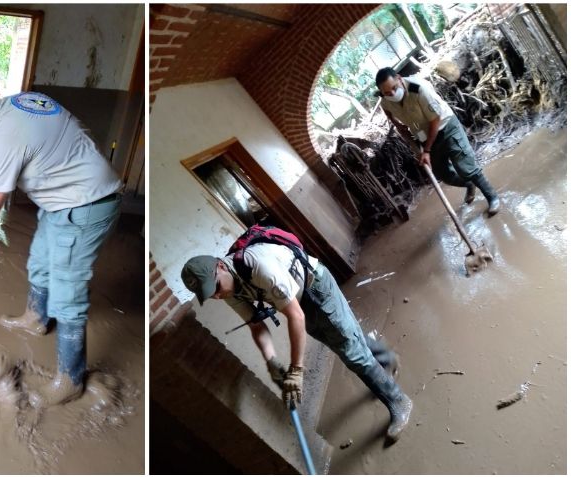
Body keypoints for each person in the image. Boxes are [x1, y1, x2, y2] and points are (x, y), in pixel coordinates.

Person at [0, 89, 123, 406]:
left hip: (86, 203)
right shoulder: (16, 103)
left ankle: (71, 380)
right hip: (65, 198)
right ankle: (37, 318)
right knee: (40, 262)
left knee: (68, 291)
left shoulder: (6, 136)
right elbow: (33, 143)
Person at [181, 241, 413, 443]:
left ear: (221, 266)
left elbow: (295, 317)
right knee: (340, 340)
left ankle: (399, 401)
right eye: (211, 294)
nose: (218, 295)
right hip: (298, 300)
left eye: (217, 288)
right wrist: (270, 360)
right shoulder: (230, 290)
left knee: (351, 352)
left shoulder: (259, 266)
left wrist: (296, 369)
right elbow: (256, 325)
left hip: (316, 288)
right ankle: (386, 359)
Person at [376, 67, 501, 216]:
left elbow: (435, 119)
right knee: (444, 175)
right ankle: (468, 185)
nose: (392, 94)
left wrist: (427, 151)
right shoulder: (385, 98)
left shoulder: (419, 89)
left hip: (446, 127)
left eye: (394, 88)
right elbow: (387, 109)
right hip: (423, 136)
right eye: (387, 93)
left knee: (465, 167)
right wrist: (397, 124)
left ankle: (492, 197)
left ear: (399, 78)